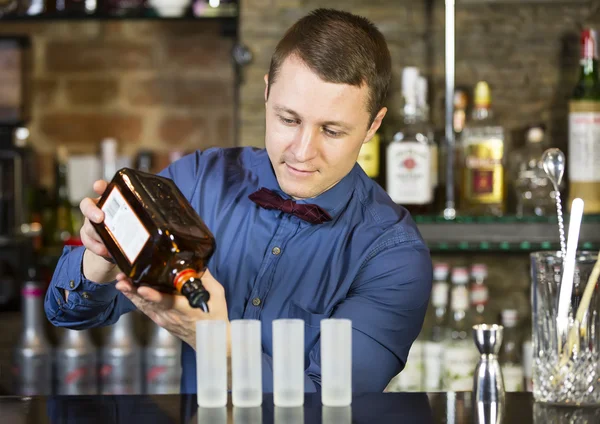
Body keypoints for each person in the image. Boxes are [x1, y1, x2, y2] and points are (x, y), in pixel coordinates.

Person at [44, 8, 432, 394]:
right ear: (265, 93)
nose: (302, 151)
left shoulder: (393, 257)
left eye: (331, 130)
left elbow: (332, 406)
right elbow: (68, 313)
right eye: (288, 120)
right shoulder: (197, 182)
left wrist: (214, 343)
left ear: (372, 126)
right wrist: (100, 259)